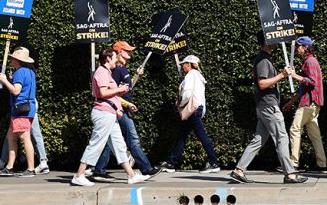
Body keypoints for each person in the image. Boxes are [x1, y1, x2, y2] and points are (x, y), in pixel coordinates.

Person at [229, 31, 307, 184]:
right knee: (282, 138)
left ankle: (239, 170)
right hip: (269, 105)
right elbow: (262, 83)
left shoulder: (263, 59)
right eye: (273, 38)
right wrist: (282, 75)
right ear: (266, 41)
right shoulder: (263, 61)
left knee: (258, 139)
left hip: (264, 105)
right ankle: (290, 173)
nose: (277, 41)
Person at [71, 49, 150, 186]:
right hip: (103, 113)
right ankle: (79, 175)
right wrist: (120, 90)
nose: (116, 60)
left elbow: (110, 94)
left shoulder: (105, 72)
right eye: (114, 58)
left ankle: (131, 175)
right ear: (108, 59)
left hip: (109, 113)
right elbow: (102, 92)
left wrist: (118, 106)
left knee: (119, 144)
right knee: (96, 143)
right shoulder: (101, 72)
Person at [91, 41, 161, 182]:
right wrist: (127, 104)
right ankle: (146, 168)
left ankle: (98, 170)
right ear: (118, 52)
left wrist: (136, 76)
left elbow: (127, 88)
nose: (130, 53)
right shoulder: (116, 70)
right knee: (132, 139)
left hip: (118, 109)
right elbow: (112, 92)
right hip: (118, 109)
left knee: (108, 140)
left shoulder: (121, 69)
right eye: (127, 50)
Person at [160, 55, 220, 173]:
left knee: (202, 136)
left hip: (192, 110)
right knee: (182, 136)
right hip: (197, 109)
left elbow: (187, 94)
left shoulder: (191, 75)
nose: (182, 67)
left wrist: (180, 103)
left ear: (189, 64)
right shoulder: (198, 76)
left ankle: (214, 163)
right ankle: (171, 162)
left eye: (183, 64)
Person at [282, 36, 327, 172]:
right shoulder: (310, 61)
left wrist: (294, 75)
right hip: (313, 103)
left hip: (309, 103)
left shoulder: (310, 62)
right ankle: (322, 165)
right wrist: (291, 102)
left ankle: (293, 163)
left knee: (294, 129)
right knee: (315, 135)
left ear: (305, 47)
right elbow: (305, 88)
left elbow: (311, 82)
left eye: (299, 47)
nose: (297, 49)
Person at [0, 47, 38, 177]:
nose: (11, 60)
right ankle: (9, 167)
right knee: (11, 137)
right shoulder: (30, 72)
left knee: (25, 138)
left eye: (13, 58)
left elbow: (16, 91)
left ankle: (30, 169)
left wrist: (4, 81)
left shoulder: (20, 72)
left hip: (21, 110)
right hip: (26, 108)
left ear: (17, 60)